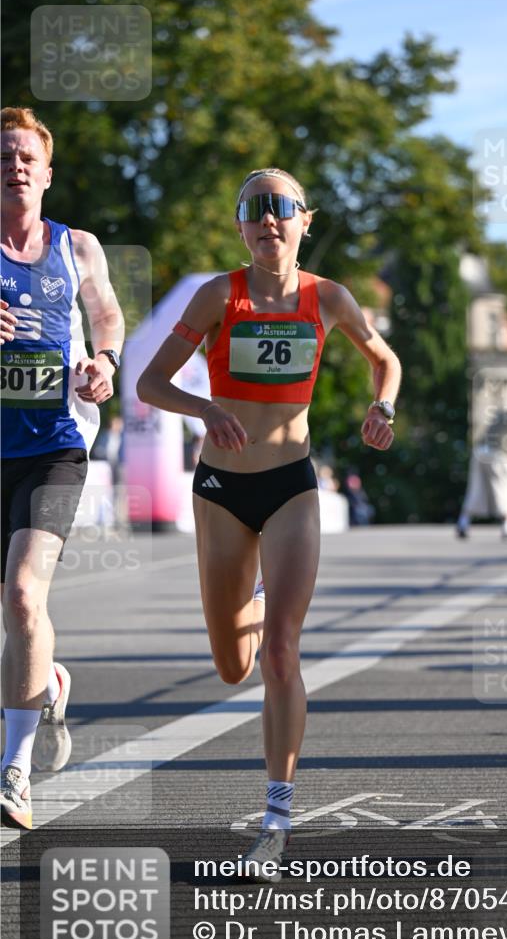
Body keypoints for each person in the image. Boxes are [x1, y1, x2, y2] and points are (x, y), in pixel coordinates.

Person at [137, 167, 400, 876]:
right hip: (220, 490)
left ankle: (276, 819)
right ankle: (248, 605)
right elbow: (149, 383)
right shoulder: (218, 294)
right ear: (241, 226)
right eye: (252, 208)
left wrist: (382, 408)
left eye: (280, 207)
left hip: (290, 487)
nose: (267, 219)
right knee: (232, 667)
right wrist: (206, 408)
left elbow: (385, 359)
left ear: (304, 220)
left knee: (282, 652)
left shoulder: (330, 299)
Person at [1, 107, 124, 829]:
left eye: (26, 158)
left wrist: (103, 363)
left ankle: (14, 769)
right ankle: (44, 678)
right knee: (20, 620)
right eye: (4, 158)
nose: (14, 166)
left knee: (22, 596)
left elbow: (105, 313)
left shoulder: (75, 246)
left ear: (46, 174)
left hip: (53, 445)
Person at [456, 395, 507, 540]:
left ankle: (463, 523)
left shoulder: (502, 413)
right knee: (505, 489)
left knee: (476, 489)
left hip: (480, 451)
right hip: (499, 454)